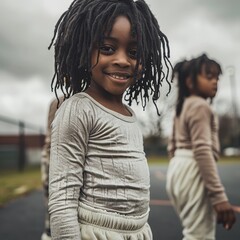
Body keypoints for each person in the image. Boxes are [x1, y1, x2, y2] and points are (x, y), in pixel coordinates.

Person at [48, 0, 172, 239]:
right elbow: (62, 201)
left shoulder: (130, 115)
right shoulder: (78, 109)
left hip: (137, 231)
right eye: (107, 48)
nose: (123, 60)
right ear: (84, 49)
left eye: (134, 52)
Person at [166, 53, 236, 240]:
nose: (215, 82)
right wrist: (219, 196)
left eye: (217, 77)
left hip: (177, 169)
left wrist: (178, 168)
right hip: (193, 168)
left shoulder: (182, 106)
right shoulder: (200, 106)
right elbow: (202, 150)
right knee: (200, 236)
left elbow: (172, 146)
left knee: (192, 232)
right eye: (209, 76)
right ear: (190, 82)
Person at [41, 96, 64, 240]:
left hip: (56, 155)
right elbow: (51, 137)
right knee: (54, 202)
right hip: (54, 156)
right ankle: (50, 233)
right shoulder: (58, 102)